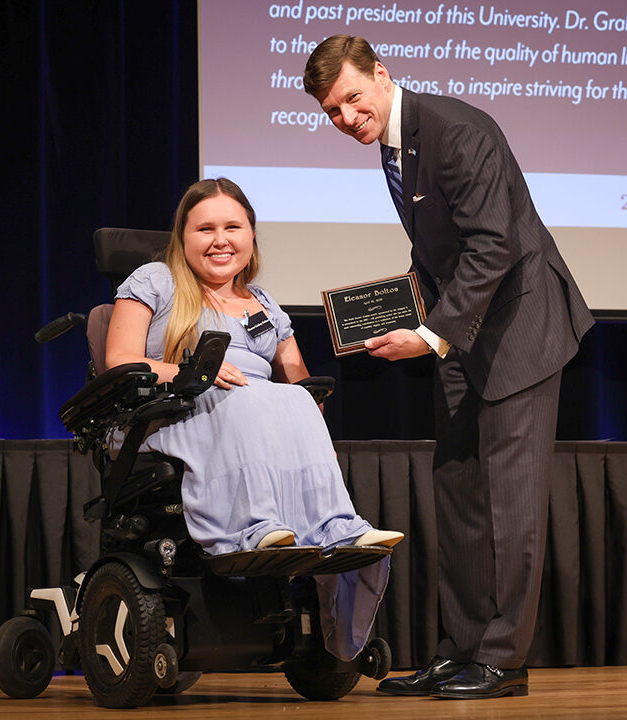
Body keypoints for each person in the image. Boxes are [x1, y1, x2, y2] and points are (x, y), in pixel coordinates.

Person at [303, 35, 595, 698]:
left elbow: (495, 247)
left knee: (511, 503)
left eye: (352, 97)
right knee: (459, 492)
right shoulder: (395, 145)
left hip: (519, 331)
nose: (346, 117)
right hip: (466, 338)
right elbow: (441, 253)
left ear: (381, 74)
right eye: (331, 112)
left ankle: (503, 660)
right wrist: (395, 313)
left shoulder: (456, 133)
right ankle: (460, 650)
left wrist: (431, 335)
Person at [104, 177, 403, 661]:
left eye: (232, 227)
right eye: (205, 228)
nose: (220, 240)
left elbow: (299, 381)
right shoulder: (155, 281)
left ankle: (335, 527)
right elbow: (120, 360)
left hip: (253, 416)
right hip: (173, 413)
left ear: (251, 235)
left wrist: (364, 349)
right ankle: (251, 526)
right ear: (183, 236)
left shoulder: (264, 304)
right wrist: (187, 370)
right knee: (249, 399)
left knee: (294, 400)